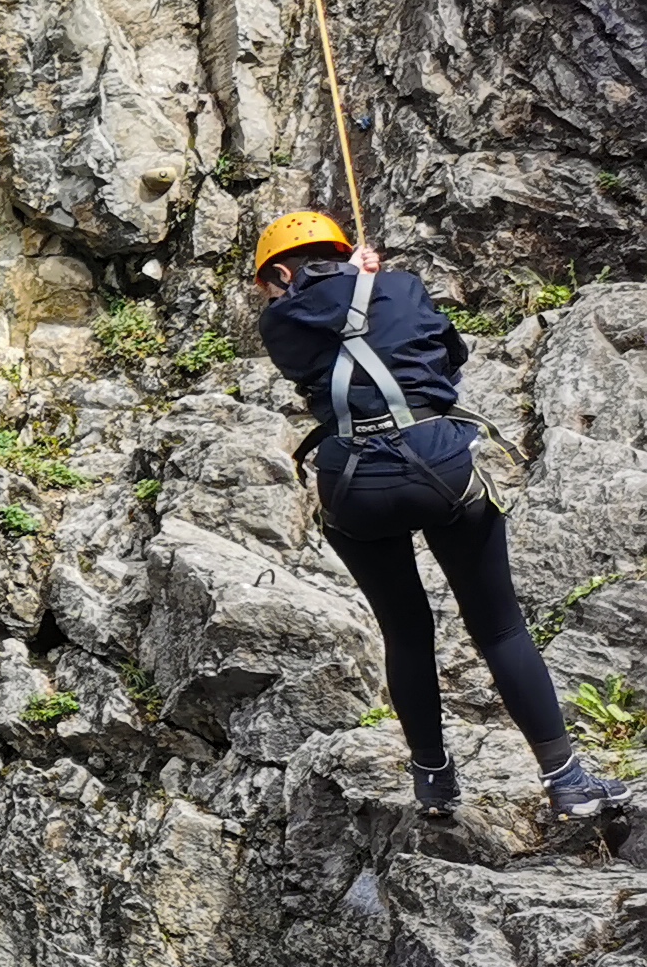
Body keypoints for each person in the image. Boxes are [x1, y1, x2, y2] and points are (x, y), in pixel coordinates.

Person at [251, 213, 627, 826]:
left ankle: (433, 780)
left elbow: (313, 328)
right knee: (500, 627)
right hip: (437, 465)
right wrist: (371, 285)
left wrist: (346, 289)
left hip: (352, 484)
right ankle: (567, 782)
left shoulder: (279, 323)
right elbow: (450, 359)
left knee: (405, 631)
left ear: (283, 277)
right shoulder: (399, 287)